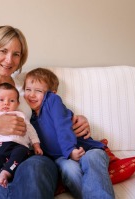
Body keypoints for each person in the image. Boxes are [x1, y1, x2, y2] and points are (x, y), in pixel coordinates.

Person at [0, 25, 92, 199]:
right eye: (3, 51)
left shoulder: (27, 89)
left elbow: (50, 114)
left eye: (16, 54)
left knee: (35, 174)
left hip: (25, 158)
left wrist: (77, 119)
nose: (9, 60)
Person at [24, 68, 115, 199]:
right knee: (69, 170)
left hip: (87, 149)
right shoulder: (28, 118)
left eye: (38, 91)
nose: (31, 95)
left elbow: (63, 126)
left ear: (52, 92)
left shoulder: (52, 101)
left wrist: (70, 150)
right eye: (28, 89)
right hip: (63, 158)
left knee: (92, 158)